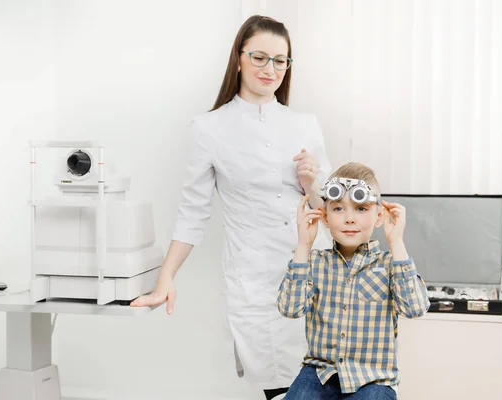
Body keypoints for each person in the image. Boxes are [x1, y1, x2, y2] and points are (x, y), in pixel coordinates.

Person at [131, 15, 332, 399]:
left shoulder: (305, 124)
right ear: (238, 58)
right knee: (282, 388)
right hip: (256, 281)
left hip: (315, 275)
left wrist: (312, 184)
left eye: (280, 60)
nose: (270, 69)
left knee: (327, 385)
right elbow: (193, 213)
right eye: (259, 57)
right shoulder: (208, 128)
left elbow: (329, 207)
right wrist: (166, 278)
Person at [277, 162, 430, 399]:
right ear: (325, 217)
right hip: (320, 373)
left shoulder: (389, 264)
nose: (349, 218)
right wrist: (303, 245)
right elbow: (290, 309)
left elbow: (415, 308)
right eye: (338, 209)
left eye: (360, 208)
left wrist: (396, 242)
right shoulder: (315, 262)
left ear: (379, 216)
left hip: (373, 378)